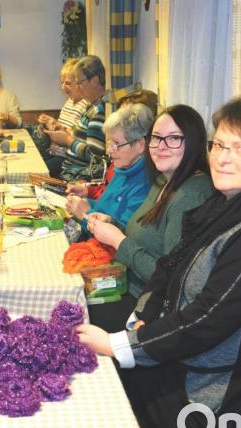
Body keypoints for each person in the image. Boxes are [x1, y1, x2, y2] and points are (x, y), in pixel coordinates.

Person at [76, 94, 241, 428]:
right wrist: (139, 319)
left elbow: (207, 319)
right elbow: (171, 269)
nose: (222, 157)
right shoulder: (229, 206)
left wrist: (118, 345)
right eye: (219, 143)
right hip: (182, 365)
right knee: (85, 375)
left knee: (93, 396)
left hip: (212, 401)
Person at [85, 104, 213, 332]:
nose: (161, 147)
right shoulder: (164, 181)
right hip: (126, 286)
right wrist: (113, 225)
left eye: (173, 138)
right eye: (156, 138)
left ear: (193, 142)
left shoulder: (191, 195)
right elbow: (146, 237)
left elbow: (171, 276)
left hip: (146, 308)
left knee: (73, 318)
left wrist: (117, 240)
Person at [65, 103, 153, 238]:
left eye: (116, 144)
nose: (108, 150)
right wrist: (86, 203)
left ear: (140, 145)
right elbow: (105, 208)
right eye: (108, 143)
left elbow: (124, 237)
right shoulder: (123, 169)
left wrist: (85, 215)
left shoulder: (145, 185)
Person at [66, 89, 159, 200]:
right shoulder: (123, 159)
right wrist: (87, 190)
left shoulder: (137, 167)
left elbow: (113, 208)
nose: (121, 119)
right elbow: (107, 191)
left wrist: (88, 211)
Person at [45, 55, 108, 182]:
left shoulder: (99, 111)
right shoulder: (91, 106)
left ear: (95, 80)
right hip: (69, 172)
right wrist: (63, 130)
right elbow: (81, 138)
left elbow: (95, 157)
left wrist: (67, 140)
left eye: (80, 83)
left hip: (77, 178)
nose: (78, 87)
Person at [30, 57, 89, 177]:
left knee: (35, 174)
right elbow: (63, 127)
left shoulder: (85, 105)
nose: (63, 87)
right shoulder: (69, 102)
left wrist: (57, 130)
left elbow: (77, 137)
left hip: (65, 159)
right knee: (30, 163)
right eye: (62, 82)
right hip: (53, 152)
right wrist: (50, 123)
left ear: (79, 84)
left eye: (67, 83)